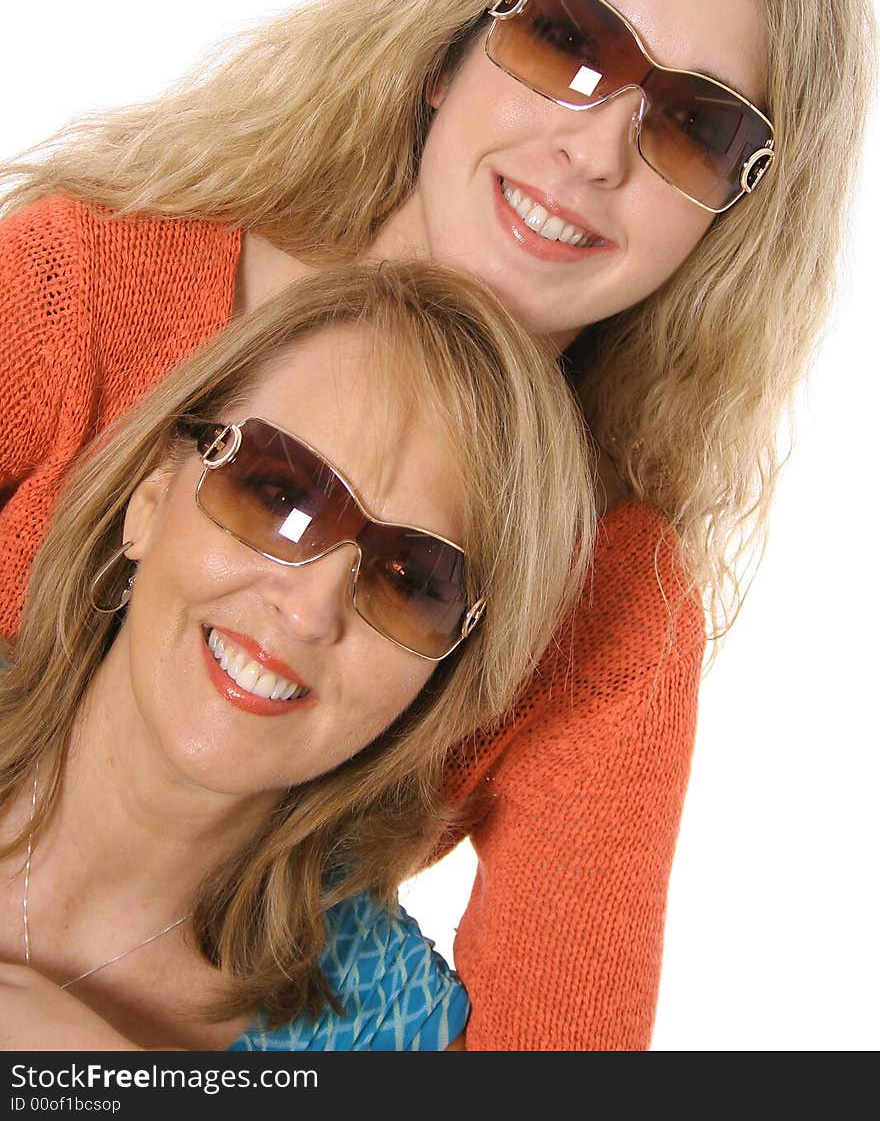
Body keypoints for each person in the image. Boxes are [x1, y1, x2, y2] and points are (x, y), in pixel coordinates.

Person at [0, 0, 874, 1050]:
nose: (591, 149)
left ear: (733, 222)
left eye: (693, 126)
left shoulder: (614, 608)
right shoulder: (82, 286)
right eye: (566, 40)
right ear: (449, 42)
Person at [0, 261, 593, 1050]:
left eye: (410, 581)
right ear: (150, 500)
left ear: (438, 678)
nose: (311, 611)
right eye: (280, 495)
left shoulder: (395, 1036)